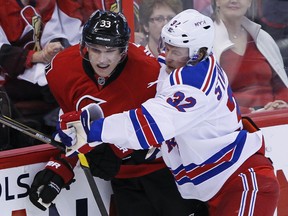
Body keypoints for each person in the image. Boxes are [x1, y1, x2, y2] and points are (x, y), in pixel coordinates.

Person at [59, 9, 280, 216]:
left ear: (198, 52)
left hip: (241, 183)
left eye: (176, 50)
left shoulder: (192, 85)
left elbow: (148, 126)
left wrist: (91, 130)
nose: (168, 55)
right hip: (215, 189)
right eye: (167, 46)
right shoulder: (186, 64)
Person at [28, 10, 208, 216]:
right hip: (124, 181)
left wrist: (121, 150)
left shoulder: (151, 72)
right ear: (83, 46)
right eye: (95, 49)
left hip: (168, 173)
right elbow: (75, 129)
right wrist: (61, 168)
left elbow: (179, 125)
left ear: (123, 50)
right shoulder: (60, 69)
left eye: (110, 50)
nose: (102, 60)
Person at [0, 0, 68, 148]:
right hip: (8, 84)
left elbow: (53, 33)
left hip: (37, 77)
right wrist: (37, 56)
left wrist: (52, 47)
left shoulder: (46, 3)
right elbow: (2, 53)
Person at [211, 0, 288, 114]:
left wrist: (281, 103)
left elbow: (279, 82)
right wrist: (253, 112)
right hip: (233, 121)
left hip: (274, 118)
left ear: (250, 3)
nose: (234, 1)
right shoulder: (205, 42)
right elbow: (207, 98)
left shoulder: (263, 37)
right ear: (217, 2)